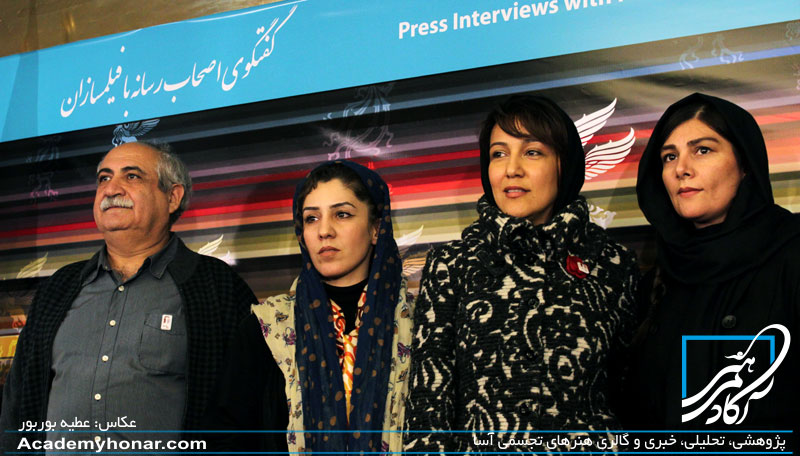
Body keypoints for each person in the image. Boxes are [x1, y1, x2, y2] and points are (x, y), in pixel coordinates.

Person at [404, 95, 639, 453]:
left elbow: (627, 391)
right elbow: (428, 405)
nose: (511, 169)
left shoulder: (612, 264)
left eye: (532, 152)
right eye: (499, 154)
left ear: (564, 163)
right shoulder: (452, 264)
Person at [0, 141, 256, 450]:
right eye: (104, 178)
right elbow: (17, 405)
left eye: (132, 176)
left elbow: (249, 410)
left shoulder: (218, 288)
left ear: (172, 197)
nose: (111, 189)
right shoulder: (58, 288)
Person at [207, 160, 413, 454]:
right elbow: (227, 436)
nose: (324, 231)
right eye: (311, 218)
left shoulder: (421, 323)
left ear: (376, 228)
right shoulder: (267, 326)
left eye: (342, 214)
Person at [631, 93, 800, 429]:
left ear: (745, 163)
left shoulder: (791, 252)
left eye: (703, 150)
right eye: (669, 157)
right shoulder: (657, 282)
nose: (681, 169)